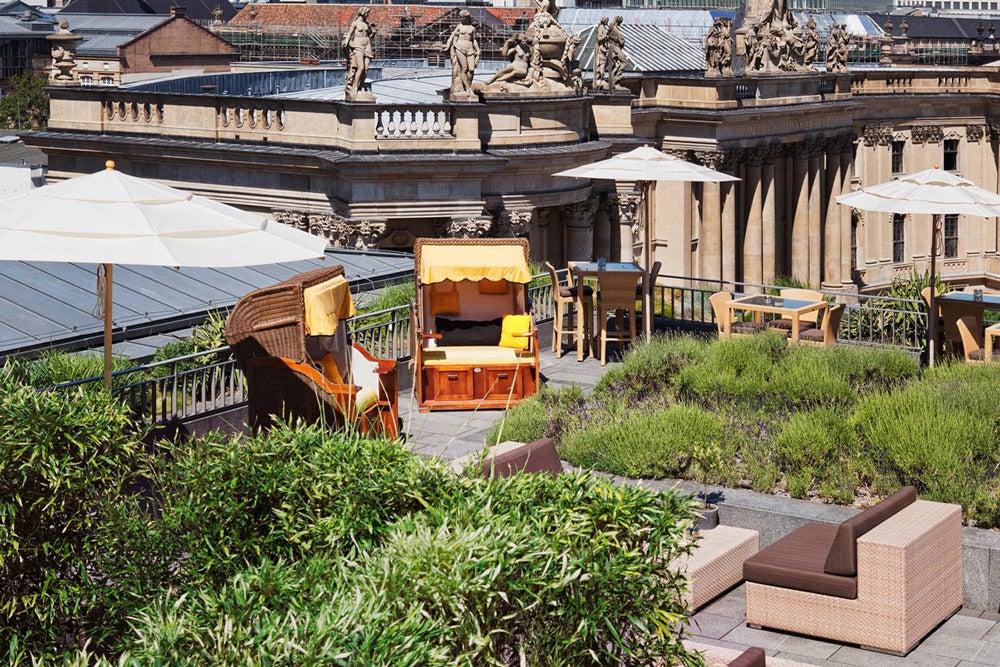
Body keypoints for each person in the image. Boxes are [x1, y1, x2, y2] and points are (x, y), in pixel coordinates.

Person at [444, 10, 480, 96]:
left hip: (470, 48)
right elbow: (452, 37)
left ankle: (468, 85)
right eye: (461, 17)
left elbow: (474, 40)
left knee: (471, 69)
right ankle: (467, 88)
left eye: (463, 17)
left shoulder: (472, 28)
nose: (462, 19)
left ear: (466, 17)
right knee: (464, 68)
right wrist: (448, 45)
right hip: (460, 47)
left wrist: (478, 49)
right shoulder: (459, 27)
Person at [343, 7, 374, 100]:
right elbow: (349, 34)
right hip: (358, 46)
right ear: (363, 13)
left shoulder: (367, 24)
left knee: (366, 68)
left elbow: (369, 36)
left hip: (367, 46)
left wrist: (374, 31)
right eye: (367, 13)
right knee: (360, 67)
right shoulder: (356, 23)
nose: (368, 15)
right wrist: (346, 41)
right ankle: (354, 88)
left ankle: (361, 86)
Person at [608, 16, 626, 90]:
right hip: (616, 48)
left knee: (617, 63)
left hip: (611, 47)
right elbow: (621, 42)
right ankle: (616, 78)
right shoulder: (617, 31)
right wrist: (623, 40)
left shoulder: (611, 28)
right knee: (624, 62)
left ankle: (614, 75)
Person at [594, 17, 610, 89]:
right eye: (607, 20)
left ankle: (601, 78)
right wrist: (605, 35)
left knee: (603, 64)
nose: (607, 22)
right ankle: (599, 78)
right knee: (601, 64)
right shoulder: (601, 27)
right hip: (601, 49)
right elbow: (599, 38)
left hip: (604, 48)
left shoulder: (602, 27)